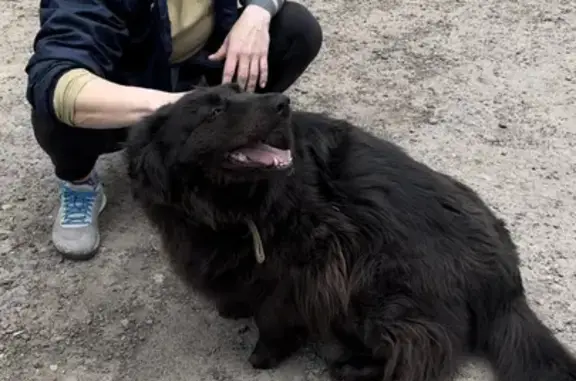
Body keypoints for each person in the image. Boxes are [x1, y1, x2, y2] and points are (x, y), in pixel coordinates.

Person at [25, 0, 323, 261]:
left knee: (297, 29)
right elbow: (55, 78)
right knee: (57, 108)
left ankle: (236, 141)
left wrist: (258, 12)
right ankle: (79, 183)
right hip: (129, 83)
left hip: (198, 65)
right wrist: (178, 109)